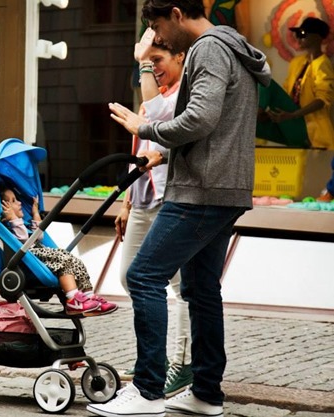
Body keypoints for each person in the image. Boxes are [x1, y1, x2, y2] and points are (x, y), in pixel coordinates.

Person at [89, 1, 271, 416]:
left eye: (156, 26)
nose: (157, 36)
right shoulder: (234, 46)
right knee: (200, 290)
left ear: (176, 12)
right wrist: (165, 156)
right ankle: (206, 394)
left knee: (143, 276)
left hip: (200, 191)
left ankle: (148, 391)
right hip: (223, 188)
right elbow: (219, 129)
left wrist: (145, 129)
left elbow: (201, 119)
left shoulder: (209, 48)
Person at [114, 28, 193, 398]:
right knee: (130, 276)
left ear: (180, 57)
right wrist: (126, 203)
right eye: (150, 63)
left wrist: (144, 63)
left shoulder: (183, 94)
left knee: (178, 286)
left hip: (170, 196)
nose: (154, 69)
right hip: (144, 197)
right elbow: (140, 143)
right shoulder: (157, 94)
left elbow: (162, 134)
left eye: (159, 61)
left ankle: (181, 363)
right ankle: (155, 360)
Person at [0, 187, 117, 316]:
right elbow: (22, 240)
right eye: (13, 201)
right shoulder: (10, 227)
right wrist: (13, 219)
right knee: (63, 259)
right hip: (29, 259)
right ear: (5, 208)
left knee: (75, 261)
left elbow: (38, 236)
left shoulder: (22, 224)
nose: (19, 202)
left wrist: (35, 213)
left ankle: (88, 295)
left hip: (38, 255)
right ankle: (73, 299)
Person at [267, 17, 334, 202]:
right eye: (297, 34)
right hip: (296, 130)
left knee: (314, 179)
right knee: (297, 179)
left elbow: (323, 99)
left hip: (318, 134)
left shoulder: (323, 65)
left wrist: (293, 114)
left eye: (303, 34)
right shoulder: (298, 63)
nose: (299, 38)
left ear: (319, 38)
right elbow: (288, 92)